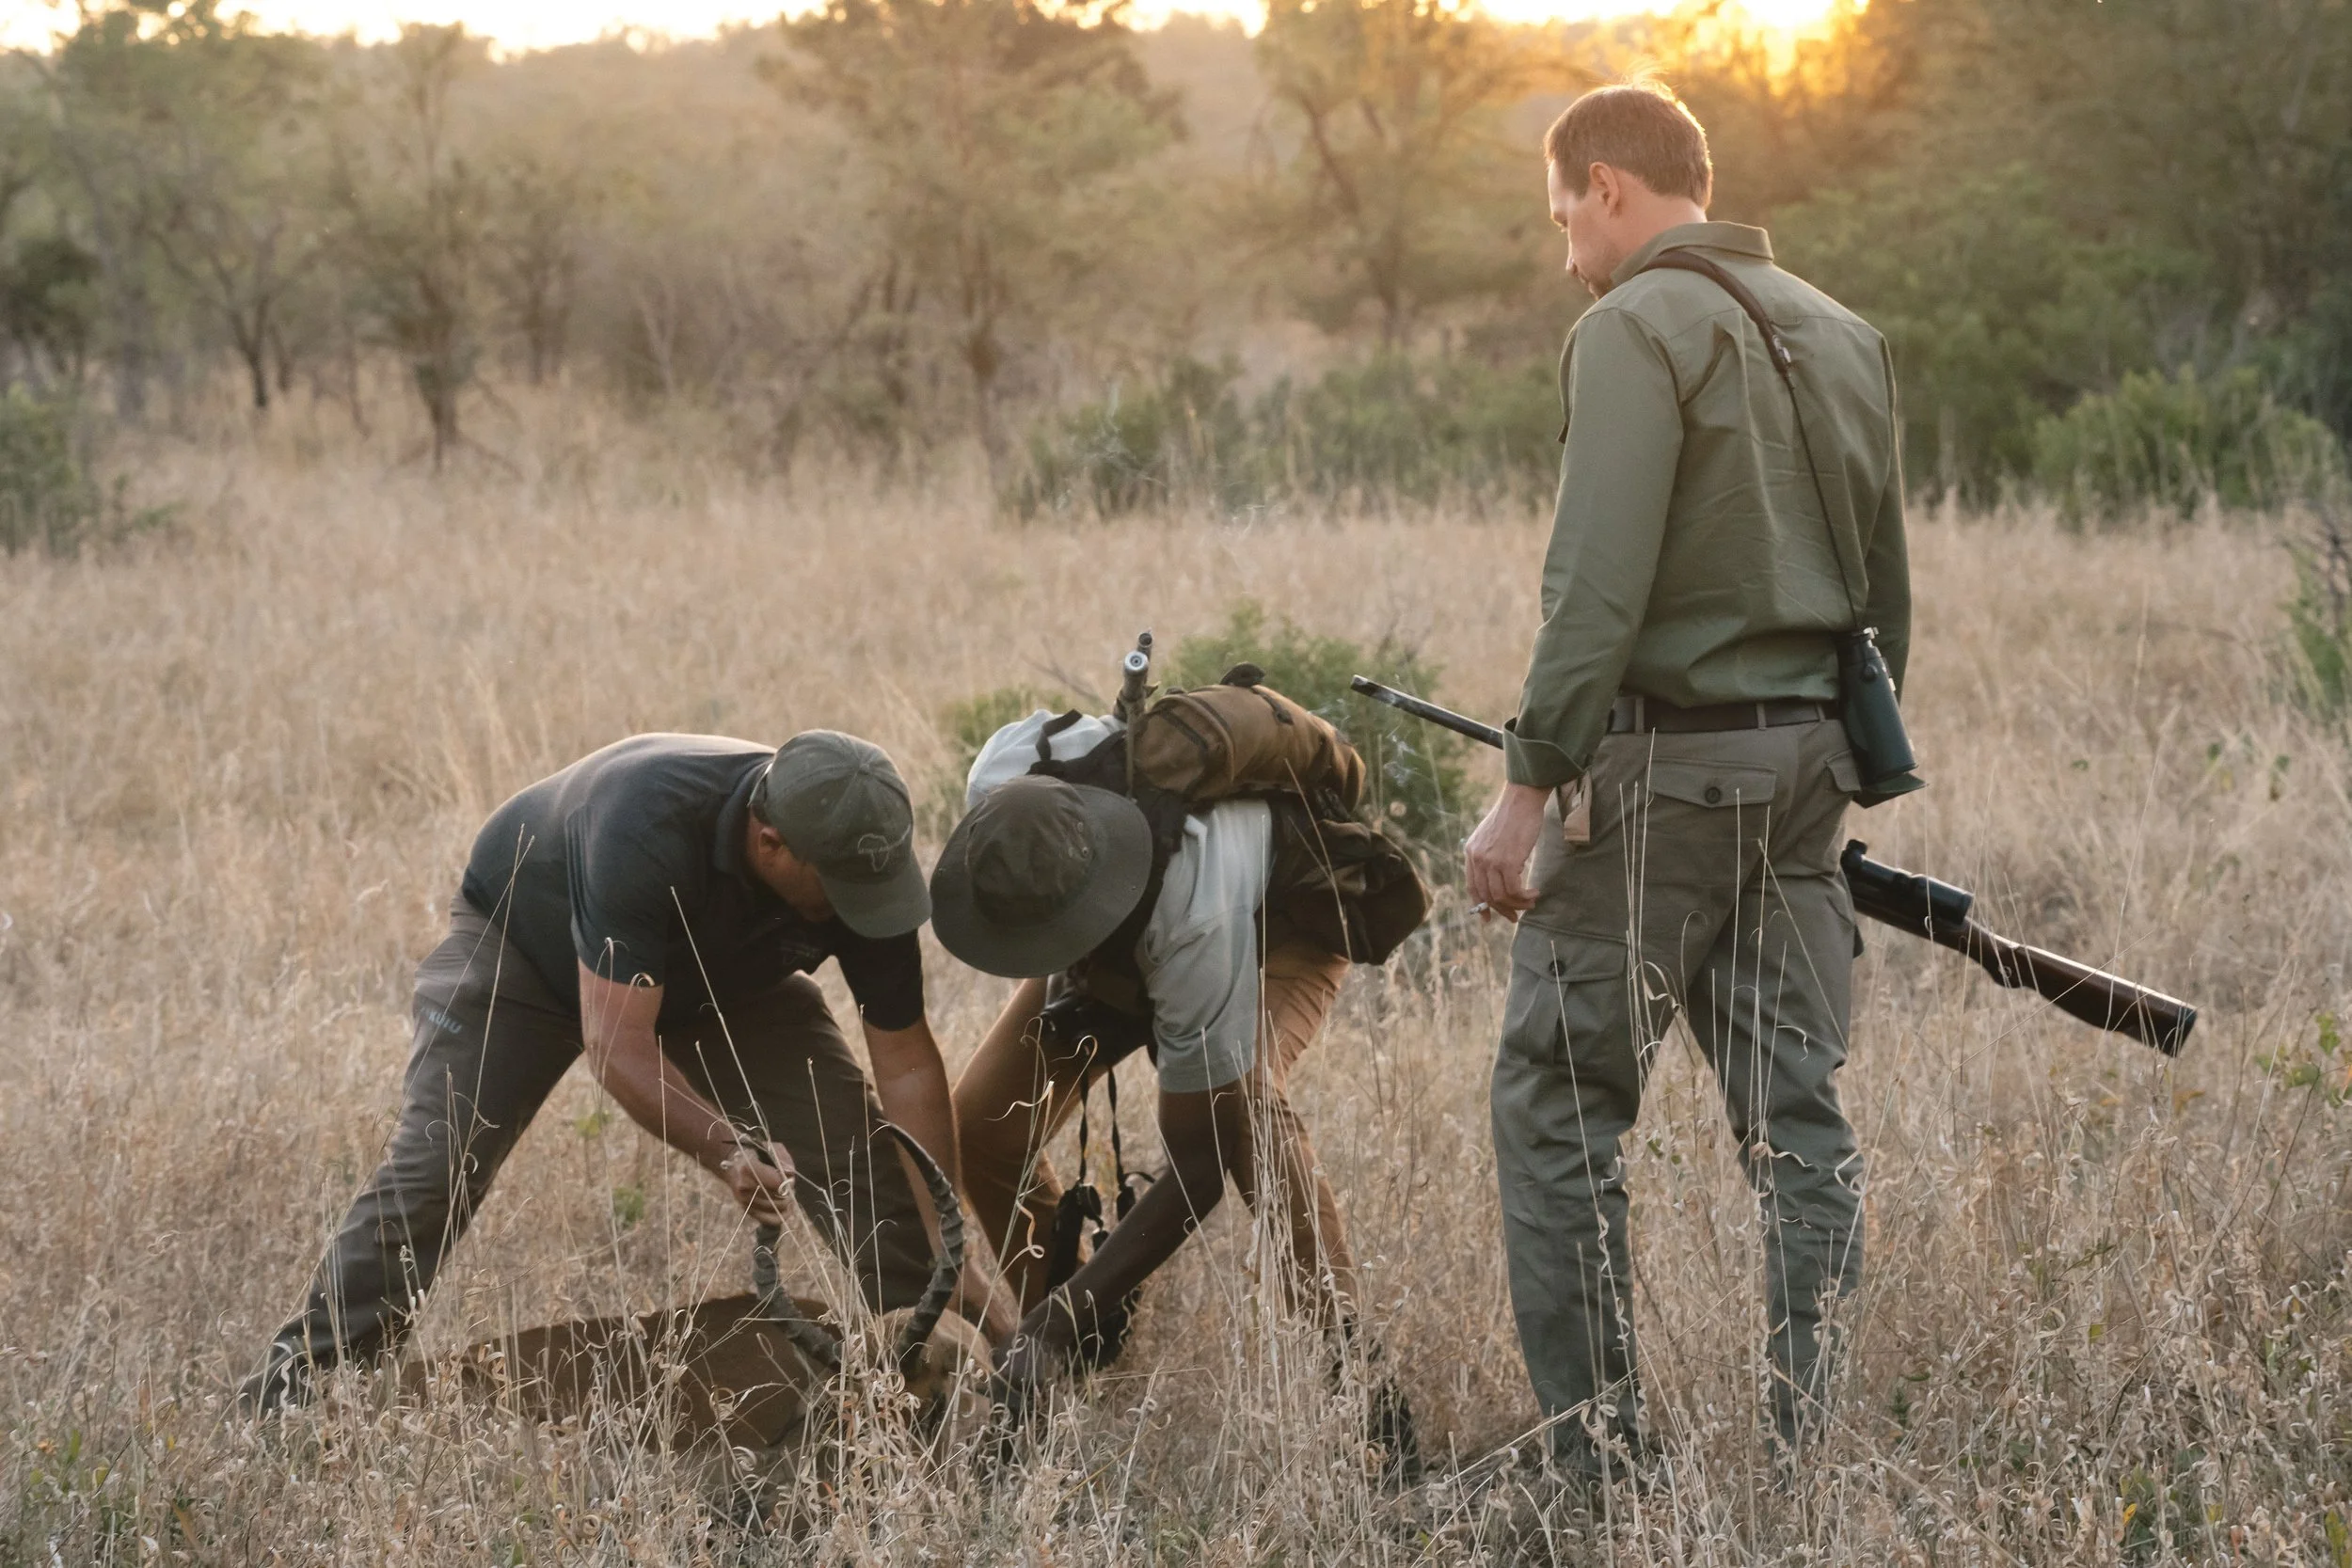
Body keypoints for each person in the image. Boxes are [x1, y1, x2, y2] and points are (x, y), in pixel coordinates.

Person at [1464, 79, 1910, 1475]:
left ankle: (1596, 1463)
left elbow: (1593, 589)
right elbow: (1885, 594)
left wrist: (1526, 787)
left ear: (1609, 184)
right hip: (1810, 766)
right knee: (1798, 1122)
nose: (1566, 255)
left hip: (1663, 774)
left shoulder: (1630, 326)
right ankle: (1807, 1445)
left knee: (1555, 1101)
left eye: (1564, 220)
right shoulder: (1846, 331)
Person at [240, 730, 1011, 1413]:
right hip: (526, 954)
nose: (861, 908)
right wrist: (725, 1148)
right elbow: (616, 1043)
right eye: (842, 891)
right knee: (440, 1159)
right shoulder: (645, 823)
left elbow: (908, 1065)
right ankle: (299, 1387)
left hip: (726, 976)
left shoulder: (861, 867)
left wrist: (953, 1245)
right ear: (770, 842)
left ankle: (918, 1378)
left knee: (851, 1142)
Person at [933, 708, 1411, 1455]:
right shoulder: (1003, 785)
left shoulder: (1196, 919)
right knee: (986, 1123)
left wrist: (1064, 1316)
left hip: (1280, 917)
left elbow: (1201, 1164)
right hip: (1116, 942)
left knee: (1251, 1116)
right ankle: (1062, 1351)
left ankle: (1361, 1380)